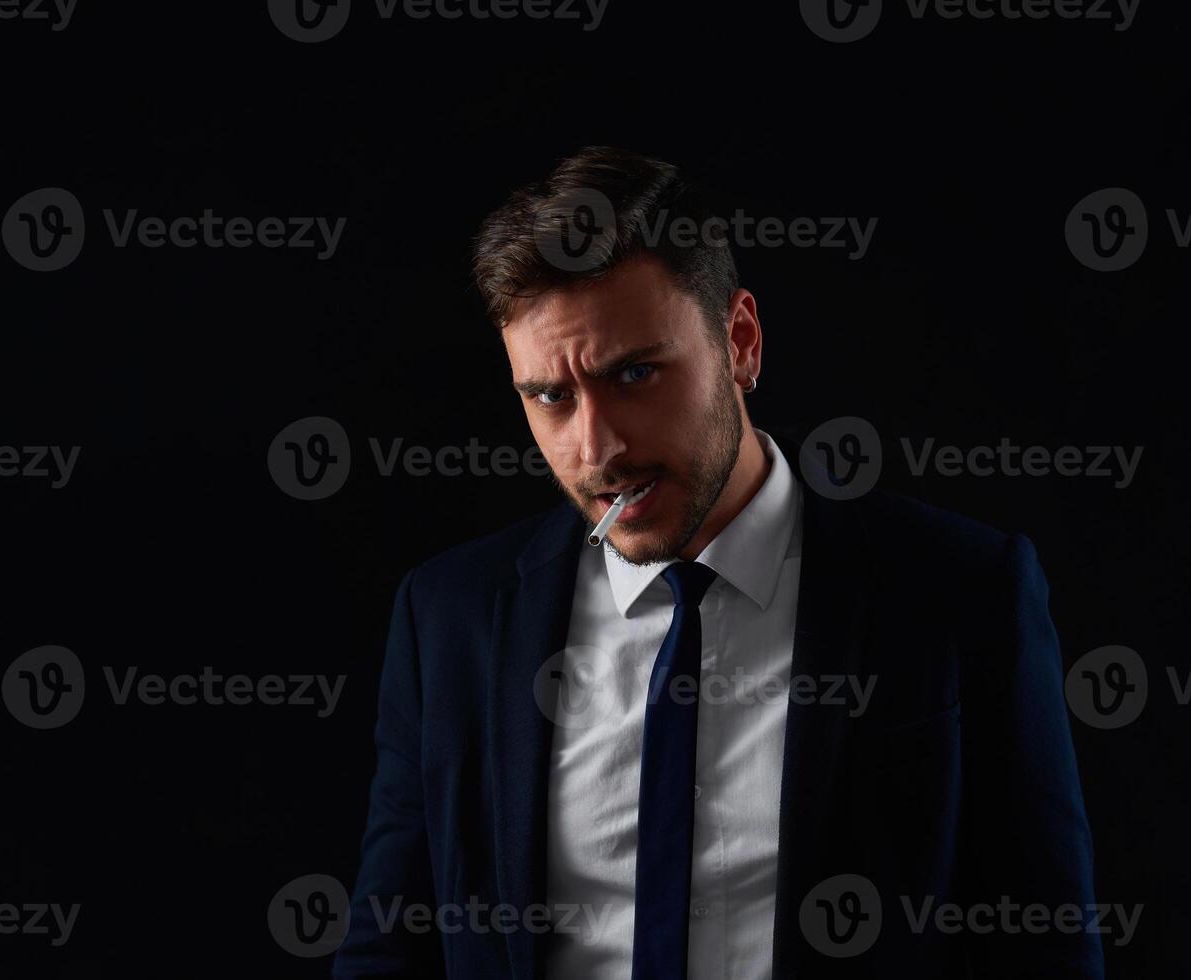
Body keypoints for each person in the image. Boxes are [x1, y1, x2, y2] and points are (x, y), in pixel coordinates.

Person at [333, 146, 1103, 979]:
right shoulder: (449, 615)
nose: (599, 449)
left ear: (739, 342)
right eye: (551, 397)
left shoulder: (960, 592)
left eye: (636, 374)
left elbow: (1046, 950)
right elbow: (389, 947)